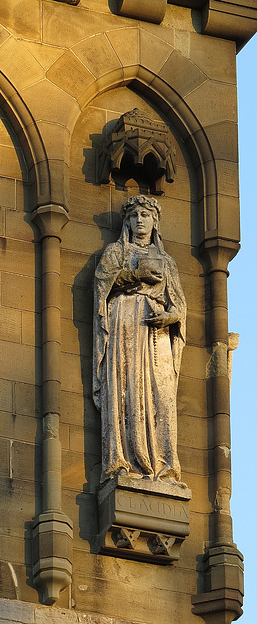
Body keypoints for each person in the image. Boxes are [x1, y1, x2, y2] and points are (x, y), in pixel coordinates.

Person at [93, 195, 186, 485]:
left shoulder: (167, 261)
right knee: (126, 386)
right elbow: (102, 284)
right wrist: (135, 274)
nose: (140, 221)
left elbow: (179, 305)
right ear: (127, 222)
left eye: (145, 215)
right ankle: (122, 461)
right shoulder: (114, 252)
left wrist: (171, 318)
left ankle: (163, 465)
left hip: (155, 331)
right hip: (125, 322)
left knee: (160, 392)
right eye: (134, 216)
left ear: (154, 221)